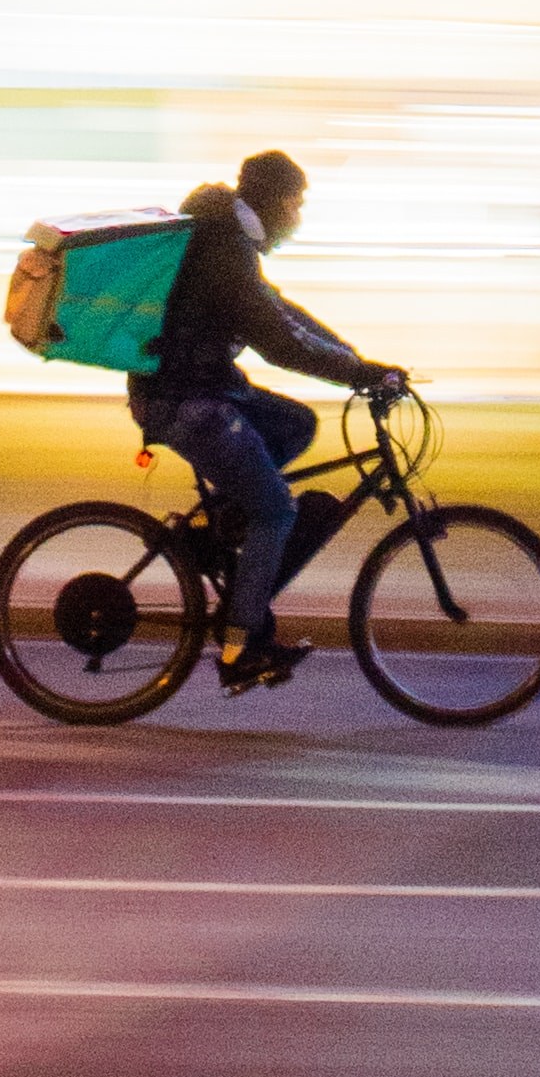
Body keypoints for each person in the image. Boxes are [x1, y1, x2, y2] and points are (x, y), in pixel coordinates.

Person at [130, 147, 405, 690]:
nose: (298, 219)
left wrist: (358, 362)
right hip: (186, 400)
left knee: (295, 424)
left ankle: (211, 530)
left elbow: (282, 312)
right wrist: (357, 374)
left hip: (203, 389)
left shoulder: (227, 241)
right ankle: (240, 647)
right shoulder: (222, 248)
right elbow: (278, 341)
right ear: (278, 202)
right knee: (277, 511)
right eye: (297, 205)